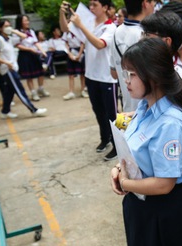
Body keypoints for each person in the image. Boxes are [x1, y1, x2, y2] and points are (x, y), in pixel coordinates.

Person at [109, 38, 182, 246]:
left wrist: (125, 183)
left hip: (167, 207)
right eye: (126, 73)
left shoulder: (171, 122)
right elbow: (134, 151)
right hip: (146, 202)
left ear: (154, 75)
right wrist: (119, 169)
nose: (127, 81)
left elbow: (164, 183)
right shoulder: (146, 107)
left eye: (132, 74)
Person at [60, 0, 119, 161]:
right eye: (90, 5)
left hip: (107, 77)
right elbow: (66, 29)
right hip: (91, 75)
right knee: (98, 111)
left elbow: (100, 44)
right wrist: (62, 13)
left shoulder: (110, 27)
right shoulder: (89, 23)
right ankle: (105, 139)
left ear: (105, 8)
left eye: (94, 5)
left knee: (112, 114)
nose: (91, 8)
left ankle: (118, 145)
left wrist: (82, 26)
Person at [141, 11, 182, 119]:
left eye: (147, 35)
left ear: (167, 41)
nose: (142, 40)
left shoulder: (181, 79)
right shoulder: (156, 72)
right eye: (143, 34)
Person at [0, 19, 48, 119]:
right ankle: (33, 110)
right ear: (0, 28)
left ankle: (5, 111)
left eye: (9, 25)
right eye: (5, 26)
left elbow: (24, 36)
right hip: (8, 70)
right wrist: (6, 63)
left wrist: (12, 31)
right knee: (20, 90)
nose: (8, 28)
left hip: (13, 68)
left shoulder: (9, 38)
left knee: (9, 91)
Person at [109, 0, 156, 113]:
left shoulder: (116, 33)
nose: (154, 5)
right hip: (150, 110)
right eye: (153, 2)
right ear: (145, 3)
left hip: (129, 108)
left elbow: (114, 74)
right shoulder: (148, 35)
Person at [14, 14, 49, 101]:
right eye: (25, 20)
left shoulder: (31, 31)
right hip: (24, 55)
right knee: (28, 75)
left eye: (27, 20)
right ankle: (33, 92)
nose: (27, 22)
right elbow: (17, 45)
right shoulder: (17, 32)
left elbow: (35, 42)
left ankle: (41, 88)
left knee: (40, 72)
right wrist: (29, 49)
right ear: (20, 22)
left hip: (34, 54)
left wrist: (42, 51)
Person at [61, 29, 87, 100]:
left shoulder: (80, 30)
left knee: (82, 74)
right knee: (71, 74)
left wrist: (79, 54)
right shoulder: (66, 31)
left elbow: (83, 43)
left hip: (80, 51)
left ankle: (83, 90)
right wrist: (69, 53)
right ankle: (71, 92)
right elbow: (65, 43)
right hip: (71, 51)